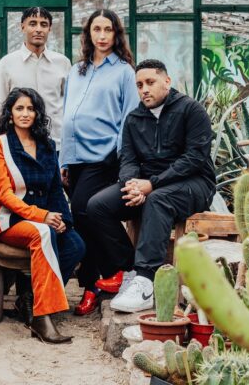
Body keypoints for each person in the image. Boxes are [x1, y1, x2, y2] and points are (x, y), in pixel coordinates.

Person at [84, 59, 215, 313]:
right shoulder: (134, 118)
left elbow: (194, 159)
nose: (144, 89)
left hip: (194, 183)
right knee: (97, 206)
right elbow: (128, 159)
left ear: (167, 81)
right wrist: (132, 184)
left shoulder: (191, 110)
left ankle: (146, 282)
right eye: (139, 85)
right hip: (147, 184)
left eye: (150, 82)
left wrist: (152, 185)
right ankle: (131, 271)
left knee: (158, 199)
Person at [0, 87, 85, 343]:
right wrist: (43, 216)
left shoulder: (47, 146)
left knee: (75, 245)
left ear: (38, 113)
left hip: (44, 216)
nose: (25, 113)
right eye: (19, 108)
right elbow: (5, 194)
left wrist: (63, 219)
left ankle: (29, 298)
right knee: (43, 232)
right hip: (9, 219)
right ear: (9, 114)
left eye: (31, 108)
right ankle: (42, 318)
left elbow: (54, 188)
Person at [60, 9, 139, 316]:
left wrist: (118, 158)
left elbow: (129, 118)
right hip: (75, 157)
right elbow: (67, 113)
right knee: (81, 219)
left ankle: (125, 266)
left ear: (116, 34)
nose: (103, 35)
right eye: (97, 29)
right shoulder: (76, 70)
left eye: (108, 29)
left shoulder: (123, 72)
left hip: (103, 156)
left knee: (84, 210)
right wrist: (63, 160)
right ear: (88, 34)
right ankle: (93, 286)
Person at [0, 7, 71, 154]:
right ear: (22, 27)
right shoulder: (8, 63)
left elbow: (70, 108)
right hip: (19, 149)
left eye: (43, 25)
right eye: (33, 23)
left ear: (50, 29)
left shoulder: (62, 63)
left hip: (56, 147)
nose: (38, 29)